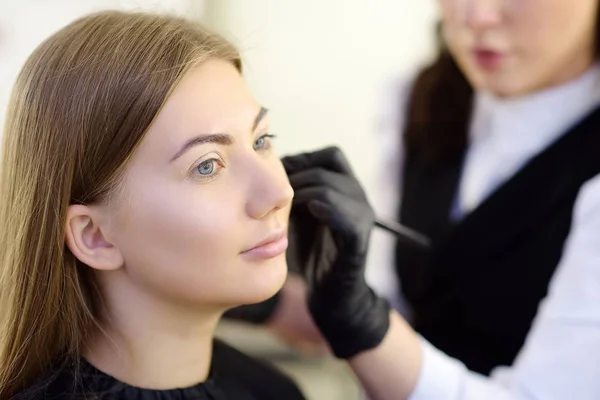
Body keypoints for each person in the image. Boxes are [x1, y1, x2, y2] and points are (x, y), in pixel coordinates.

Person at [240, 0, 600, 398]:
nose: (477, 16)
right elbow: (393, 317)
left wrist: (363, 319)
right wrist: (259, 296)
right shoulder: (419, 99)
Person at [0, 10, 306, 399]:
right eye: (207, 165)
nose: (280, 192)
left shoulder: (276, 392)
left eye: (261, 141)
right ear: (95, 237)